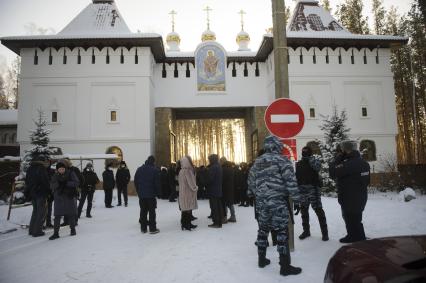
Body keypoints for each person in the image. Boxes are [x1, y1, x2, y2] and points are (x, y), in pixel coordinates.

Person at [248, 135, 302, 276]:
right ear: (278, 146)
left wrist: (259, 195)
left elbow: (251, 184)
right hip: (278, 203)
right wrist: (296, 199)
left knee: (262, 230)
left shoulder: (257, 162)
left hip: (261, 203)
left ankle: (261, 259)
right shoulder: (282, 160)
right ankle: (285, 267)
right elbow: (290, 181)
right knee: (282, 231)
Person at [329, 140, 370, 243]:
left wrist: (338, 159)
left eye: (342, 150)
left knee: (350, 218)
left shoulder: (347, 164)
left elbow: (333, 172)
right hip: (361, 196)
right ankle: (360, 236)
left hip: (349, 197)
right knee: (357, 218)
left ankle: (354, 237)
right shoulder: (364, 163)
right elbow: (368, 181)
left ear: (346, 151)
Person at [295, 146, 329, 241]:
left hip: (313, 190)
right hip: (302, 190)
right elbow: (297, 178)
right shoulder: (299, 164)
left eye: (306, 152)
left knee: (318, 210)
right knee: (304, 211)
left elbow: (318, 167)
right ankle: (306, 231)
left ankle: (325, 233)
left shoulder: (314, 161)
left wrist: (310, 159)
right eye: (303, 152)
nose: (304, 153)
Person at [49, 160, 80, 240]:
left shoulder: (70, 173)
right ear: (57, 169)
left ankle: (73, 230)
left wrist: (67, 183)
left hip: (69, 197)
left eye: (63, 168)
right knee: (57, 216)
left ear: (65, 168)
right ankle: (56, 233)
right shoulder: (55, 175)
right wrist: (58, 184)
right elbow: (51, 185)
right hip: (59, 199)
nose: (61, 170)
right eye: (60, 169)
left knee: (71, 214)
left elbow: (77, 182)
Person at [134, 156, 161, 234]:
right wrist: (158, 193)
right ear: (153, 162)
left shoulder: (139, 169)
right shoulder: (154, 170)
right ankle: (152, 229)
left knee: (143, 211)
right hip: (151, 195)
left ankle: (143, 228)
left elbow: (136, 181)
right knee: (152, 212)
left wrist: (139, 192)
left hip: (142, 195)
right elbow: (157, 183)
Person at [25, 155, 50, 237]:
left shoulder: (30, 168)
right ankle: (37, 231)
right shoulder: (41, 169)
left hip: (33, 193)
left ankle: (31, 230)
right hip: (41, 193)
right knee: (41, 212)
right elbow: (45, 182)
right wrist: (48, 191)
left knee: (35, 211)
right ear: (42, 161)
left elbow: (27, 182)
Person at [178, 156, 198, 231]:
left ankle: (184, 224)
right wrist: (195, 188)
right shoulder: (187, 171)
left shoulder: (181, 171)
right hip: (188, 192)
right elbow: (191, 182)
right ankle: (188, 224)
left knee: (184, 209)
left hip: (182, 192)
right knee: (188, 208)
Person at [206, 154, 223, 228]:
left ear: (212, 159)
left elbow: (210, 179)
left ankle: (216, 222)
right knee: (218, 206)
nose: (209, 160)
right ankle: (219, 221)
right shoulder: (219, 166)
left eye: (209, 159)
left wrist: (204, 181)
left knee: (214, 207)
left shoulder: (213, 167)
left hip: (213, 190)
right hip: (218, 189)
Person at [220, 157, 237, 223]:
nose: (220, 162)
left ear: (223, 162)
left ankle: (224, 218)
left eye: (220, 161)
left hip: (224, 188)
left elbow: (222, 180)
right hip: (230, 188)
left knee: (224, 203)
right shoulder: (231, 168)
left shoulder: (223, 169)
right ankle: (233, 216)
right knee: (230, 203)